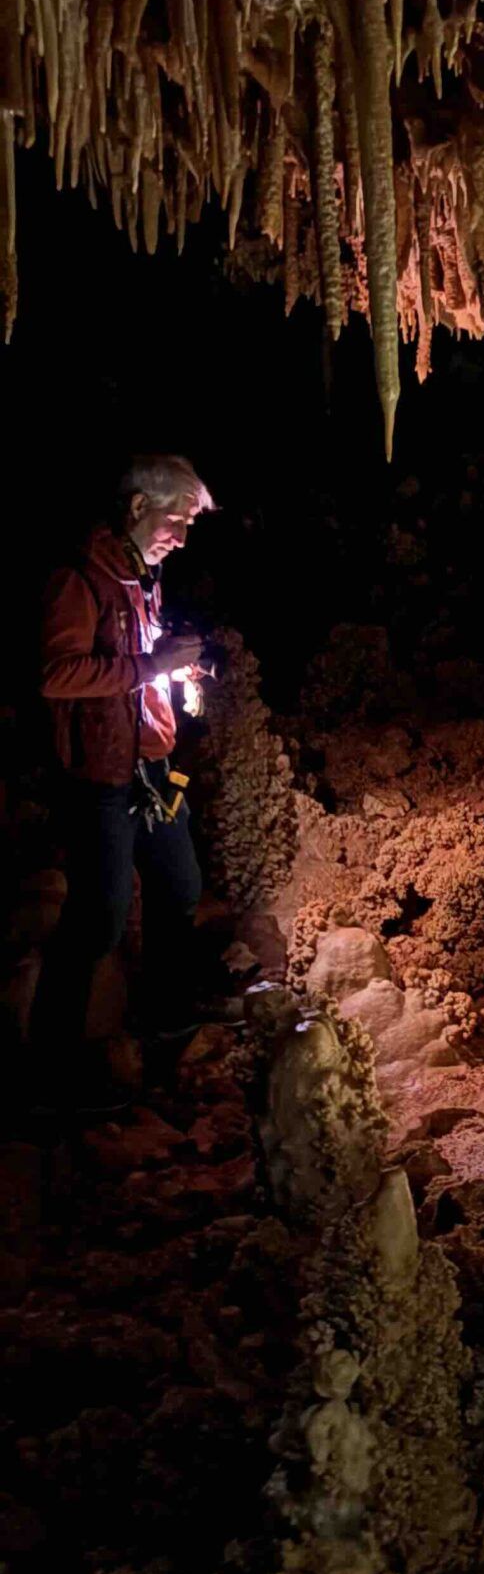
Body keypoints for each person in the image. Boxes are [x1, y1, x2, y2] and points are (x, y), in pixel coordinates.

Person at [31, 453, 218, 1107]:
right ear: (137, 507)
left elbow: (140, 661)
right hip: (101, 777)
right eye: (177, 518)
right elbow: (56, 676)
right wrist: (148, 666)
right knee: (99, 918)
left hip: (152, 766)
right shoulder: (78, 581)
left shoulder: (143, 578)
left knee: (179, 886)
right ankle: (52, 1065)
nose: (183, 536)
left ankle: (167, 1028)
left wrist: (174, 671)